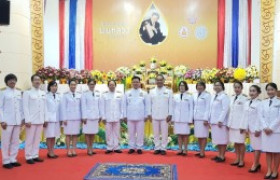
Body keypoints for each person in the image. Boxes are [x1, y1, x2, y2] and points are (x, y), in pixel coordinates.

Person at [0, 74, 24, 169]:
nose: (12, 81)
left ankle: (13, 159)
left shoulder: (19, 93)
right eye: (10, 80)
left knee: (15, 141)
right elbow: (0, 107)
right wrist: (2, 121)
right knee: (6, 142)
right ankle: (6, 161)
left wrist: (22, 119)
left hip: (17, 121)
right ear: (6, 82)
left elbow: (21, 107)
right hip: (7, 121)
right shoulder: (3, 93)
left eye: (14, 80)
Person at [123, 76, 150, 154]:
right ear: (131, 83)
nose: (135, 83)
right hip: (130, 116)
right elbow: (124, 105)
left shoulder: (144, 93)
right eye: (134, 82)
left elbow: (147, 105)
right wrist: (124, 115)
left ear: (139, 83)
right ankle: (131, 147)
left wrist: (146, 115)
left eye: (137, 82)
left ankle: (139, 147)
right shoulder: (127, 93)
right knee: (131, 133)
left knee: (140, 132)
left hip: (141, 116)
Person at [23, 74, 46, 164]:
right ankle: (28, 156)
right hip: (31, 120)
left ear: (40, 81)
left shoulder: (42, 93)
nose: (37, 81)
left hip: (40, 119)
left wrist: (45, 119)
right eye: (35, 80)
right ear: (32, 81)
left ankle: (35, 155)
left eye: (39, 80)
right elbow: (25, 107)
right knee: (29, 139)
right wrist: (27, 120)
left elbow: (44, 108)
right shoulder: (27, 93)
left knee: (37, 139)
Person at [240, 85, 262, 173]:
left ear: (258, 93)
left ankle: (255, 164)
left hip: (256, 129)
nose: (251, 93)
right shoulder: (247, 102)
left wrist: (258, 129)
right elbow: (244, 116)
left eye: (254, 91)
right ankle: (257, 163)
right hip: (248, 128)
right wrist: (243, 126)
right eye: (250, 91)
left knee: (257, 147)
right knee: (254, 146)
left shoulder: (260, 103)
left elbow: (260, 117)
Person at [149, 74, 173, 155]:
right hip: (154, 115)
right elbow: (149, 104)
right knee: (155, 133)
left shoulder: (169, 91)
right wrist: (149, 113)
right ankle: (157, 147)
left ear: (163, 81)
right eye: (157, 80)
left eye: (161, 80)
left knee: (164, 133)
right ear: (155, 81)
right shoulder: (151, 91)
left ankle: (163, 148)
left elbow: (171, 104)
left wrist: (170, 114)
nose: (159, 81)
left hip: (165, 116)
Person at [261, 83, 280, 179]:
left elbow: (279, 118)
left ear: (276, 90)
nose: (270, 91)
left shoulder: (279, 102)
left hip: (276, 131)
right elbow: (261, 116)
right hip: (266, 131)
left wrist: (271, 128)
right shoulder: (263, 103)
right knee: (268, 151)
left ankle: (275, 171)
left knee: (276, 152)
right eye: (268, 90)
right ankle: (269, 170)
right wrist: (265, 127)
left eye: (272, 89)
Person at [227, 81, 247, 167]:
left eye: (239, 87)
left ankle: (242, 160)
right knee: (235, 142)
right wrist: (229, 124)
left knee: (241, 142)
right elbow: (230, 112)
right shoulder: (231, 98)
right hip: (232, 124)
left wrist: (243, 125)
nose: (237, 89)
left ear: (242, 88)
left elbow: (245, 113)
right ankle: (237, 158)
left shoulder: (245, 99)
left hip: (240, 125)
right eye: (235, 87)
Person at [101, 80, 124, 154]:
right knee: (108, 133)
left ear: (115, 85)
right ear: (108, 86)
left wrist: (122, 116)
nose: (112, 86)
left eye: (113, 85)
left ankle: (116, 147)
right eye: (110, 85)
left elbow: (122, 106)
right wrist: (103, 117)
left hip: (117, 116)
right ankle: (109, 147)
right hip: (108, 117)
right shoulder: (104, 95)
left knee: (117, 132)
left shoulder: (119, 95)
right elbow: (102, 107)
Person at [209, 80, 230, 163]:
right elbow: (211, 109)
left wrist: (220, 120)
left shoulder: (224, 96)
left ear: (222, 86)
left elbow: (225, 109)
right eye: (215, 85)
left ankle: (222, 156)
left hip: (221, 122)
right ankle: (219, 154)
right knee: (217, 139)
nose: (217, 86)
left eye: (219, 85)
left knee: (222, 140)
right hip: (214, 121)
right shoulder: (214, 96)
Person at [61, 79, 82, 157]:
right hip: (68, 118)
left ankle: (74, 149)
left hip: (77, 117)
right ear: (69, 85)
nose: (73, 86)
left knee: (75, 134)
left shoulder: (79, 95)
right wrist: (64, 118)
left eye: (74, 85)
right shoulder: (65, 95)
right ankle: (68, 150)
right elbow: (63, 107)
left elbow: (81, 107)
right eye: (71, 85)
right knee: (68, 135)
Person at [172, 81, 193, 156]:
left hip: (185, 119)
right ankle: (180, 149)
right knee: (179, 135)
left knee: (185, 135)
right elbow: (173, 108)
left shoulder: (189, 96)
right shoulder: (175, 96)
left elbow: (191, 109)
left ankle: (185, 150)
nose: (181, 87)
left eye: (183, 85)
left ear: (186, 87)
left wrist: (190, 119)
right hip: (177, 119)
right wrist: (173, 119)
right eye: (180, 85)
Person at [81, 79, 101, 156]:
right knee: (87, 133)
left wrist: (100, 116)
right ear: (88, 85)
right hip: (88, 116)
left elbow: (99, 105)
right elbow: (83, 106)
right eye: (90, 84)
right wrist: (84, 117)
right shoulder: (85, 94)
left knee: (93, 133)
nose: (92, 85)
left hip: (95, 116)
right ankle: (88, 148)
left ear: (95, 85)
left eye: (93, 84)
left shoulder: (98, 93)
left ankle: (91, 147)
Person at [193, 81, 211, 158]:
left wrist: (206, 118)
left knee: (203, 136)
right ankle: (200, 150)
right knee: (199, 135)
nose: (199, 87)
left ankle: (202, 152)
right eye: (198, 85)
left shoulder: (207, 95)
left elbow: (208, 108)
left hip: (203, 119)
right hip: (196, 118)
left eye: (201, 85)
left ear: (204, 87)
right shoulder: (195, 95)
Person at [44, 81, 61, 159]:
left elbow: (60, 108)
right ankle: (49, 152)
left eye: (55, 86)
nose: (54, 87)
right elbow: (44, 109)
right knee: (49, 136)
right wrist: (45, 119)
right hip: (49, 119)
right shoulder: (46, 96)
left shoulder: (58, 96)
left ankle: (52, 151)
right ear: (49, 87)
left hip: (56, 119)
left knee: (54, 136)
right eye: (53, 86)